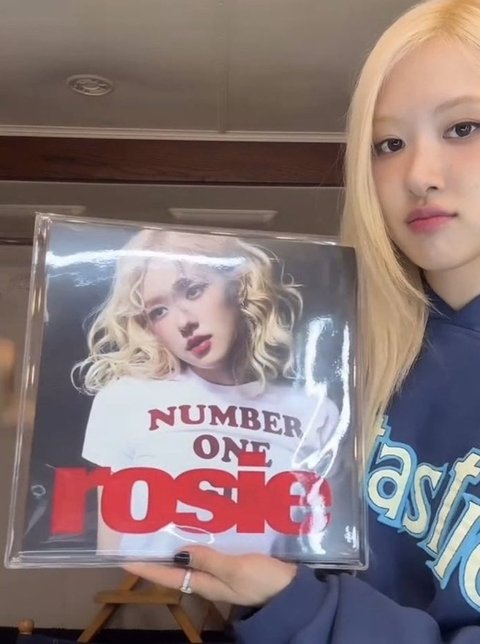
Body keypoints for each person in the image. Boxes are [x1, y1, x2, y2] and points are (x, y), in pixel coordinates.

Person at [124, 0, 480, 641]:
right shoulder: (336, 354)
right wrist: (273, 593)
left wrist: (310, 612)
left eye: (463, 127)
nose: (419, 176)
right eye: (388, 144)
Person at [74, 228, 343, 558]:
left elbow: (322, 550)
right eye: (159, 311)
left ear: (238, 285)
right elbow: (111, 554)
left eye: (193, 291)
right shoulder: (124, 400)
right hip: (158, 589)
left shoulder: (314, 411)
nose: (184, 322)